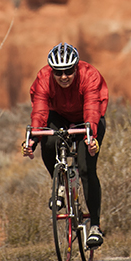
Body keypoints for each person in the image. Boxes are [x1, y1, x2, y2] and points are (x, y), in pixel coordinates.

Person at [22, 42, 109, 248]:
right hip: (58, 115)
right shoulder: (43, 77)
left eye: (68, 71)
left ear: (76, 67)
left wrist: (91, 137)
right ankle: (59, 183)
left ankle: (95, 226)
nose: (63, 77)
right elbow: (40, 112)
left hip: (88, 119)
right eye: (58, 72)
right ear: (51, 70)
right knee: (48, 139)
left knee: (87, 169)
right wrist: (32, 141)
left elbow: (91, 109)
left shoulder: (89, 75)